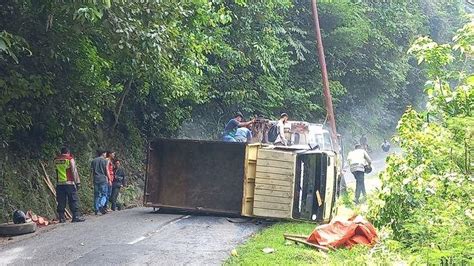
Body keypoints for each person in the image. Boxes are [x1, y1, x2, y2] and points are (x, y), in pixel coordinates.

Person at [54, 147, 85, 223]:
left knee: (61, 200)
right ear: (68, 152)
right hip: (69, 183)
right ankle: (75, 216)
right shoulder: (69, 159)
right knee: (73, 200)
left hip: (59, 184)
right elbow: (74, 171)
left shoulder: (56, 160)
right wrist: (77, 182)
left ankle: (61, 217)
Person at [91, 149, 109, 215]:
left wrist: (91, 180)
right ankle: (100, 205)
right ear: (103, 153)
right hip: (103, 179)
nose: (106, 155)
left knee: (96, 195)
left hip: (95, 179)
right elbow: (106, 170)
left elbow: (91, 172)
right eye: (105, 153)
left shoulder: (93, 161)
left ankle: (96, 209)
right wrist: (109, 178)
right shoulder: (105, 161)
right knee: (104, 194)